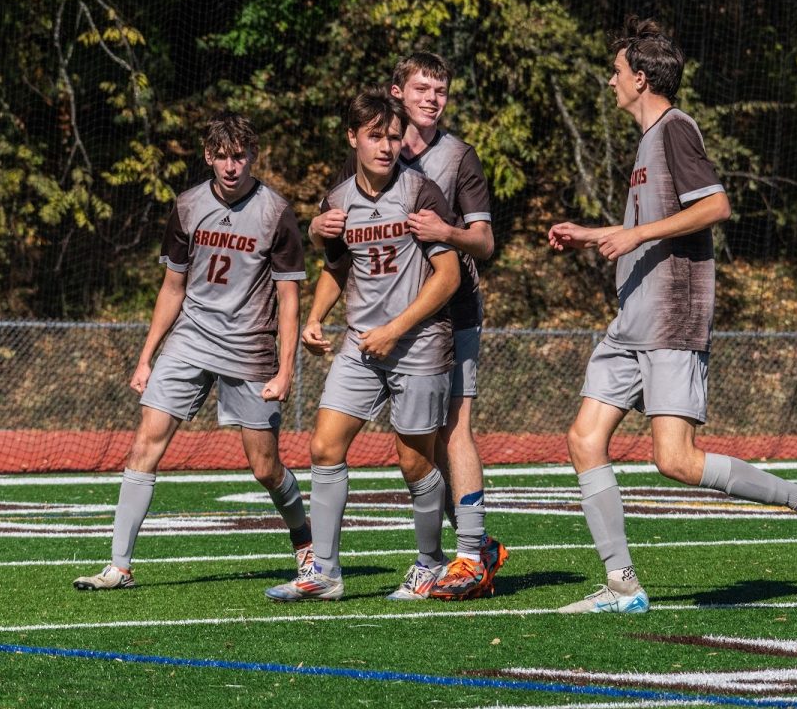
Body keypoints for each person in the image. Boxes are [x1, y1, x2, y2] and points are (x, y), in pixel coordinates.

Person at [546, 17, 797, 614]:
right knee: (584, 439)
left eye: (615, 72)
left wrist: (634, 238)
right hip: (631, 319)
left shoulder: (675, 130)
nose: (610, 82)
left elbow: (716, 206)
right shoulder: (646, 140)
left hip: (671, 317)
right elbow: (646, 230)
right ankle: (623, 586)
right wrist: (595, 234)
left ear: (640, 78)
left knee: (675, 460)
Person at [74, 113, 311, 591]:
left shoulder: (275, 212)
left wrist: (287, 371)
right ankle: (119, 566)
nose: (231, 166)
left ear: (253, 156)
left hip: (248, 346)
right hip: (191, 337)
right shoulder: (187, 206)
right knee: (146, 441)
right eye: (221, 156)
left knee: (264, 467)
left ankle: (306, 545)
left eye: (239, 156)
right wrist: (146, 356)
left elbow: (289, 298)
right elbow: (172, 287)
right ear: (208, 157)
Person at [309, 53, 507, 600]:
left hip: (448, 314)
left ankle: (469, 553)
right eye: (422, 88)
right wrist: (313, 229)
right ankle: (327, 569)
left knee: (451, 432)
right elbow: (341, 246)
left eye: (440, 90)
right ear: (397, 94)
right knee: (393, 448)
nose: (432, 98)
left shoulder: (456, 158)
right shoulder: (378, 144)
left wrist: (446, 229)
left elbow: (485, 244)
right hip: (375, 325)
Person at [265, 89, 460, 602]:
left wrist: (395, 328)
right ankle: (324, 572)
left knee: (414, 462)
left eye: (394, 136)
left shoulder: (421, 192)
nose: (386, 145)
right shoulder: (337, 202)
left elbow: (449, 277)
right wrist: (313, 317)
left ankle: (430, 564)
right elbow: (337, 268)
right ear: (352, 137)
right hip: (359, 343)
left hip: (418, 342)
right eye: (375, 136)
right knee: (324, 446)